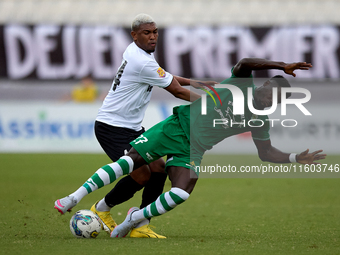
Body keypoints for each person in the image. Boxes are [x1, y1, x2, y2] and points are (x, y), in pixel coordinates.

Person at [55, 57, 326, 238]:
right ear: (265, 85)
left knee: (182, 192)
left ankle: (134, 218)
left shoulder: (259, 119)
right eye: (273, 95)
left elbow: (265, 152)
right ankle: (74, 197)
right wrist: (281, 64)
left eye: (280, 101)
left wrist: (293, 157)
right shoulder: (241, 85)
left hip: (193, 148)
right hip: (177, 127)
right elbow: (245, 63)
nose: (273, 102)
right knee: (133, 161)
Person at [54, 13, 216, 239]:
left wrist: (196, 82)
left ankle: (140, 223)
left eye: (155, 32)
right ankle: (101, 209)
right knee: (141, 176)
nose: (153, 37)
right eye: (147, 33)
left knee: (158, 168)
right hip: (112, 126)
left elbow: (165, 75)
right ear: (134, 35)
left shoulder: (138, 53)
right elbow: (176, 91)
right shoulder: (142, 61)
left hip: (130, 126)